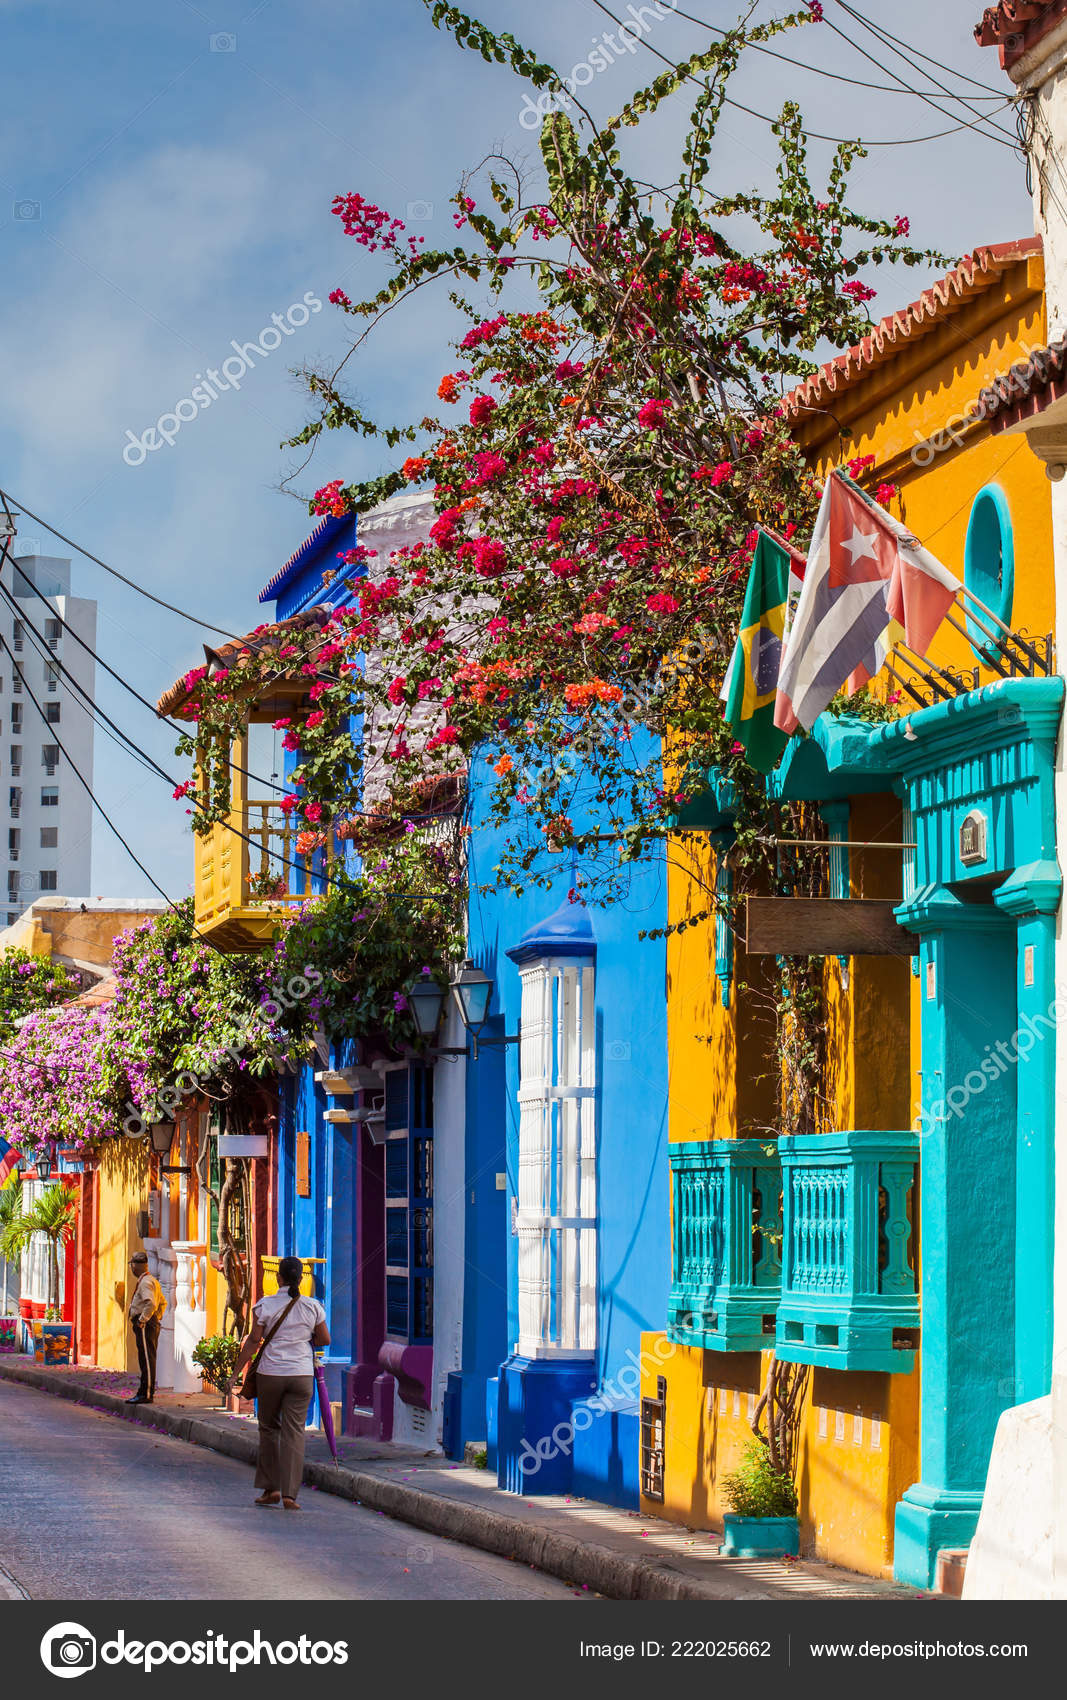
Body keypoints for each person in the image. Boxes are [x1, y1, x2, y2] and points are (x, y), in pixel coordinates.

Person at [231, 1256, 329, 1510]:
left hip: (271, 1374)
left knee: (269, 1429)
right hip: (301, 1374)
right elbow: (324, 1339)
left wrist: (235, 1374)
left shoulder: (265, 1305)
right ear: (301, 1279)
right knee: (294, 1433)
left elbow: (254, 1341)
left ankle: (270, 1488)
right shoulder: (313, 1306)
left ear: (279, 1278)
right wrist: (302, 1340)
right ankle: (289, 1495)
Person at [126, 1250, 166, 1405]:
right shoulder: (152, 1280)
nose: (132, 1268)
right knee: (147, 1357)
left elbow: (151, 1303)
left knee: (147, 1359)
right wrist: (157, 1317)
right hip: (151, 1321)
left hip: (145, 1324)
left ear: (136, 1266)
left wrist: (144, 1320)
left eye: (132, 1265)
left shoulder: (145, 1282)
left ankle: (146, 1393)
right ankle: (144, 1392)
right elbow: (163, 1303)